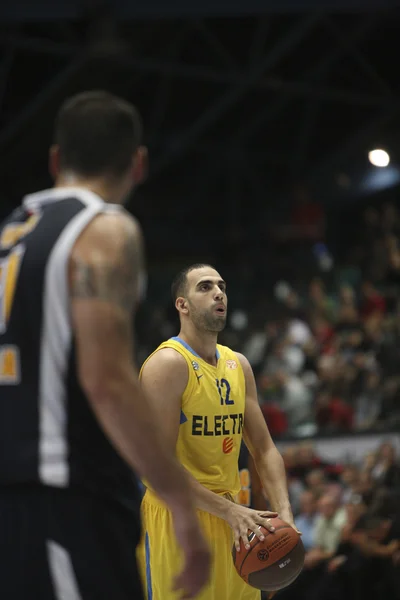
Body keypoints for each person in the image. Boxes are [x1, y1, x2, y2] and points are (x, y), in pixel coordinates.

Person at [0, 91, 210, 600]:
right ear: (138, 164)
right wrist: (181, 503)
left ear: (55, 159)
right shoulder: (104, 229)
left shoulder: (10, 234)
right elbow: (108, 381)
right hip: (63, 496)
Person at [138, 263, 297, 600]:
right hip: (179, 518)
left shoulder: (238, 365)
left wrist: (285, 513)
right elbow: (157, 470)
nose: (218, 292)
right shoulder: (167, 365)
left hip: (236, 519)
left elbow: (265, 450)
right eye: (205, 287)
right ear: (182, 304)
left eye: (221, 286)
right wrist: (229, 511)